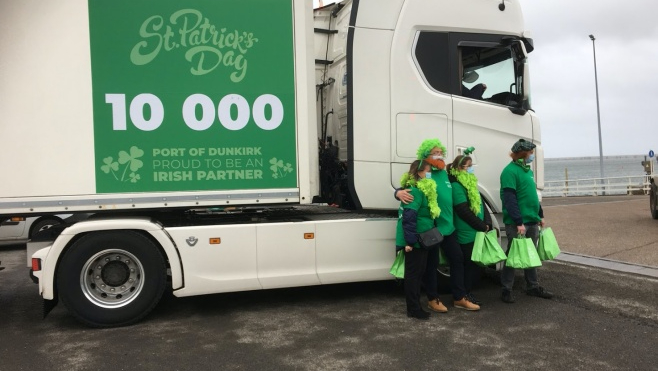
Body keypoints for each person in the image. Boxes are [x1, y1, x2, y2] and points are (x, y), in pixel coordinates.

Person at [395, 139, 480, 312]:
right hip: (432, 229)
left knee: (457, 259)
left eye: (441, 152)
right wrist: (397, 193)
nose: (439, 155)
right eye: (435, 152)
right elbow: (408, 188)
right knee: (431, 265)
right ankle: (433, 299)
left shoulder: (445, 172)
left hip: (449, 227)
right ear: (425, 155)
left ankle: (459, 297)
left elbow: (461, 171)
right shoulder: (423, 171)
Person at [499, 139, 554, 303]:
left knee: (531, 254)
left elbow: (533, 196)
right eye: (530, 153)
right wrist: (518, 222)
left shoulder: (527, 171)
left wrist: (540, 215)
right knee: (513, 256)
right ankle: (506, 289)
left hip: (532, 219)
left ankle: (533, 286)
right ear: (522, 154)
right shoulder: (509, 172)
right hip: (519, 223)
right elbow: (509, 199)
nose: (532, 156)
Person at [395, 160, 440, 320]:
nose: (430, 174)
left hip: (423, 238)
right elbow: (409, 217)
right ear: (420, 172)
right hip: (416, 240)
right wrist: (410, 242)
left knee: (419, 273)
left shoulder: (421, 190)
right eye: (428, 171)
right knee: (413, 275)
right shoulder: (414, 192)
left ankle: (415, 306)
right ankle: (413, 309)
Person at [447, 151, 492, 305]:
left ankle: (468, 292)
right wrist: (481, 225)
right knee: (467, 265)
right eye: (468, 166)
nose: (471, 169)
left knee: (473, 265)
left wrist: (487, 222)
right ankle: (464, 294)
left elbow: (481, 204)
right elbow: (462, 210)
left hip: (476, 231)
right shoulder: (456, 185)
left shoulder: (470, 182)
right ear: (459, 168)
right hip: (466, 232)